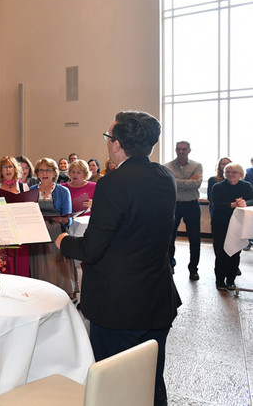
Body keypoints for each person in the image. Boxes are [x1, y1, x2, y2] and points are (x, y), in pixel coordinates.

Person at [56, 111, 181, 406]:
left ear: (116, 144)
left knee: (115, 388)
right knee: (151, 382)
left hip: (119, 305)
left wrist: (64, 242)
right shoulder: (166, 177)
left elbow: (92, 248)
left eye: (108, 137)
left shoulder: (113, 184)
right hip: (156, 298)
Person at [30, 157, 76, 299]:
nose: (45, 173)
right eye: (42, 170)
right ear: (37, 173)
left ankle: (58, 297)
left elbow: (68, 218)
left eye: (48, 170)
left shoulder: (63, 191)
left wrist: (63, 220)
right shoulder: (31, 190)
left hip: (56, 233)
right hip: (37, 235)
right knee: (40, 266)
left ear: (54, 173)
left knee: (55, 267)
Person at [211, 163, 253, 291]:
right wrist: (233, 204)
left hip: (239, 224)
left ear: (240, 174)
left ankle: (231, 280)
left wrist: (245, 203)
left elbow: (252, 200)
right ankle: (219, 280)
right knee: (221, 252)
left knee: (235, 252)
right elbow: (217, 204)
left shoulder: (246, 186)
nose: (230, 174)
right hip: (220, 223)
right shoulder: (218, 187)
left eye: (234, 172)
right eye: (228, 171)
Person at [165, 141, 203, 281]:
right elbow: (167, 184)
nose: (181, 151)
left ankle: (193, 269)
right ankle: (170, 265)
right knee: (170, 237)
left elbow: (197, 184)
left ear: (189, 150)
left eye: (184, 149)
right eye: (178, 149)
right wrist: (188, 181)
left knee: (195, 239)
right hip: (173, 205)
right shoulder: (167, 166)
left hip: (191, 205)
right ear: (175, 150)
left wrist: (176, 181)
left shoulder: (197, 166)